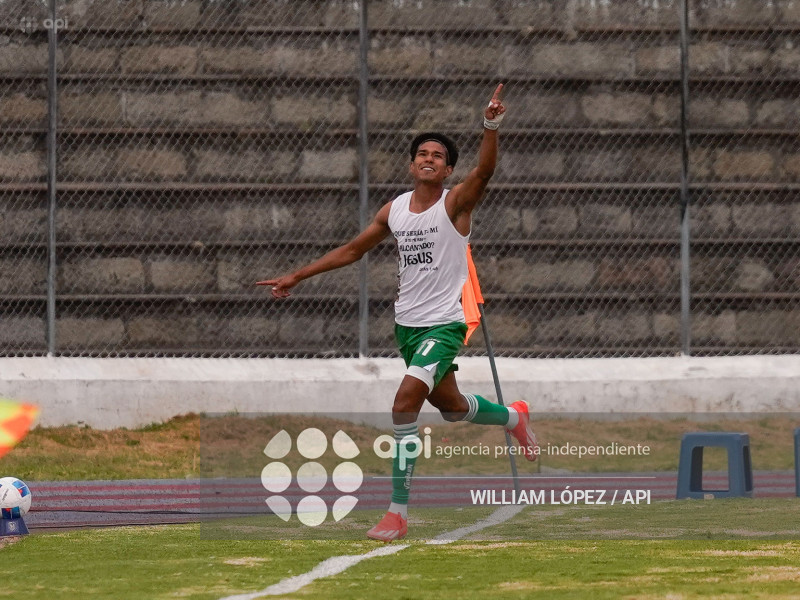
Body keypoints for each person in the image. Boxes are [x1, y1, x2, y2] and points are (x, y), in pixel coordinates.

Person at [258, 83, 538, 542]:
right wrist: (297, 276)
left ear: (447, 169)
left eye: (438, 156)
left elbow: (485, 173)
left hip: (445, 323)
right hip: (406, 326)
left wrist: (490, 124)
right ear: (412, 165)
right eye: (421, 154)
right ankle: (513, 417)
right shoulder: (394, 212)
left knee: (404, 403)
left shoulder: (455, 204)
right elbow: (352, 251)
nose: (429, 159)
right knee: (451, 408)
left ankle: (397, 513)